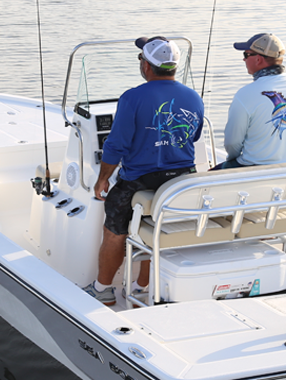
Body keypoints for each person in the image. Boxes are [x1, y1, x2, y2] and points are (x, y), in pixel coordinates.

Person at [82, 36, 205, 306]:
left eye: (141, 59)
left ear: (147, 66)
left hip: (140, 181)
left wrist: (102, 179)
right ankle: (142, 284)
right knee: (156, 227)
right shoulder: (193, 97)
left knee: (115, 229)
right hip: (182, 181)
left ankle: (103, 289)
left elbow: (116, 145)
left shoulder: (132, 97)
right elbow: (193, 137)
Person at [214, 33, 286, 170]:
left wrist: (232, 160)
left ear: (258, 59)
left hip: (255, 168)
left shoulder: (245, 94)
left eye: (246, 55)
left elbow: (232, 143)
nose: (243, 60)